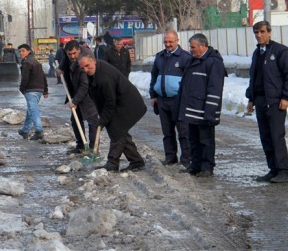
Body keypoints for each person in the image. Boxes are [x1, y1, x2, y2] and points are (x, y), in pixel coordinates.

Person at [78, 52, 146, 172]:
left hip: (128, 104)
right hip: (119, 103)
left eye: (88, 66)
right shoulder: (95, 70)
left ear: (94, 60)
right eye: (83, 68)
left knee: (116, 131)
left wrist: (102, 122)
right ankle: (136, 161)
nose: (86, 70)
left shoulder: (104, 77)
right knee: (121, 133)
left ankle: (112, 163)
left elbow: (110, 102)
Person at [246, 21, 288, 183]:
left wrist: (285, 97)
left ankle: (284, 171)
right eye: (256, 32)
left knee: (276, 136)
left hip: (275, 101)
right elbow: (254, 78)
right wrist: (250, 98)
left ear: (269, 32)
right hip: (260, 100)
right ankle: (273, 169)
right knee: (265, 136)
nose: (259, 35)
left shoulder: (281, 51)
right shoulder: (257, 53)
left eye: (262, 32)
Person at [177, 33, 226, 178]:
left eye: (193, 47)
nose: (191, 50)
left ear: (203, 46)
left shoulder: (214, 63)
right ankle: (195, 164)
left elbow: (214, 88)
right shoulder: (193, 61)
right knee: (193, 139)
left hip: (205, 111)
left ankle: (207, 167)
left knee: (206, 141)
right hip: (193, 110)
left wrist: (210, 110)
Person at [149, 29, 191, 167]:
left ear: (177, 41)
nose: (167, 44)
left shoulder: (185, 57)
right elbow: (154, 76)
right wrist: (153, 95)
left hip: (178, 100)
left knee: (183, 132)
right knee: (167, 132)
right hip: (162, 100)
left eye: (170, 42)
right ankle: (170, 157)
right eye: (165, 42)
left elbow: (190, 79)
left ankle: (186, 159)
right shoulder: (160, 57)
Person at [62, 40, 99, 154]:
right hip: (76, 92)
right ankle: (81, 145)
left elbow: (84, 85)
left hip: (90, 94)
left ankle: (93, 149)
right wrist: (60, 68)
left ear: (79, 50)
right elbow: (64, 61)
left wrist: (75, 101)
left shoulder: (84, 61)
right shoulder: (70, 57)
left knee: (92, 121)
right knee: (75, 120)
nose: (72, 56)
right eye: (70, 54)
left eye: (74, 53)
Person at [17, 44, 49, 140]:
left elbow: (25, 78)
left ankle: (39, 131)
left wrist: (22, 89)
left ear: (28, 51)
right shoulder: (36, 61)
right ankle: (25, 130)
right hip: (39, 90)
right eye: (20, 51)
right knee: (30, 109)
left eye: (23, 51)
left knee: (33, 110)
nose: (21, 53)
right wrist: (45, 90)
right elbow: (43, 76)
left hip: (31, 90)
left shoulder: (27, 62)